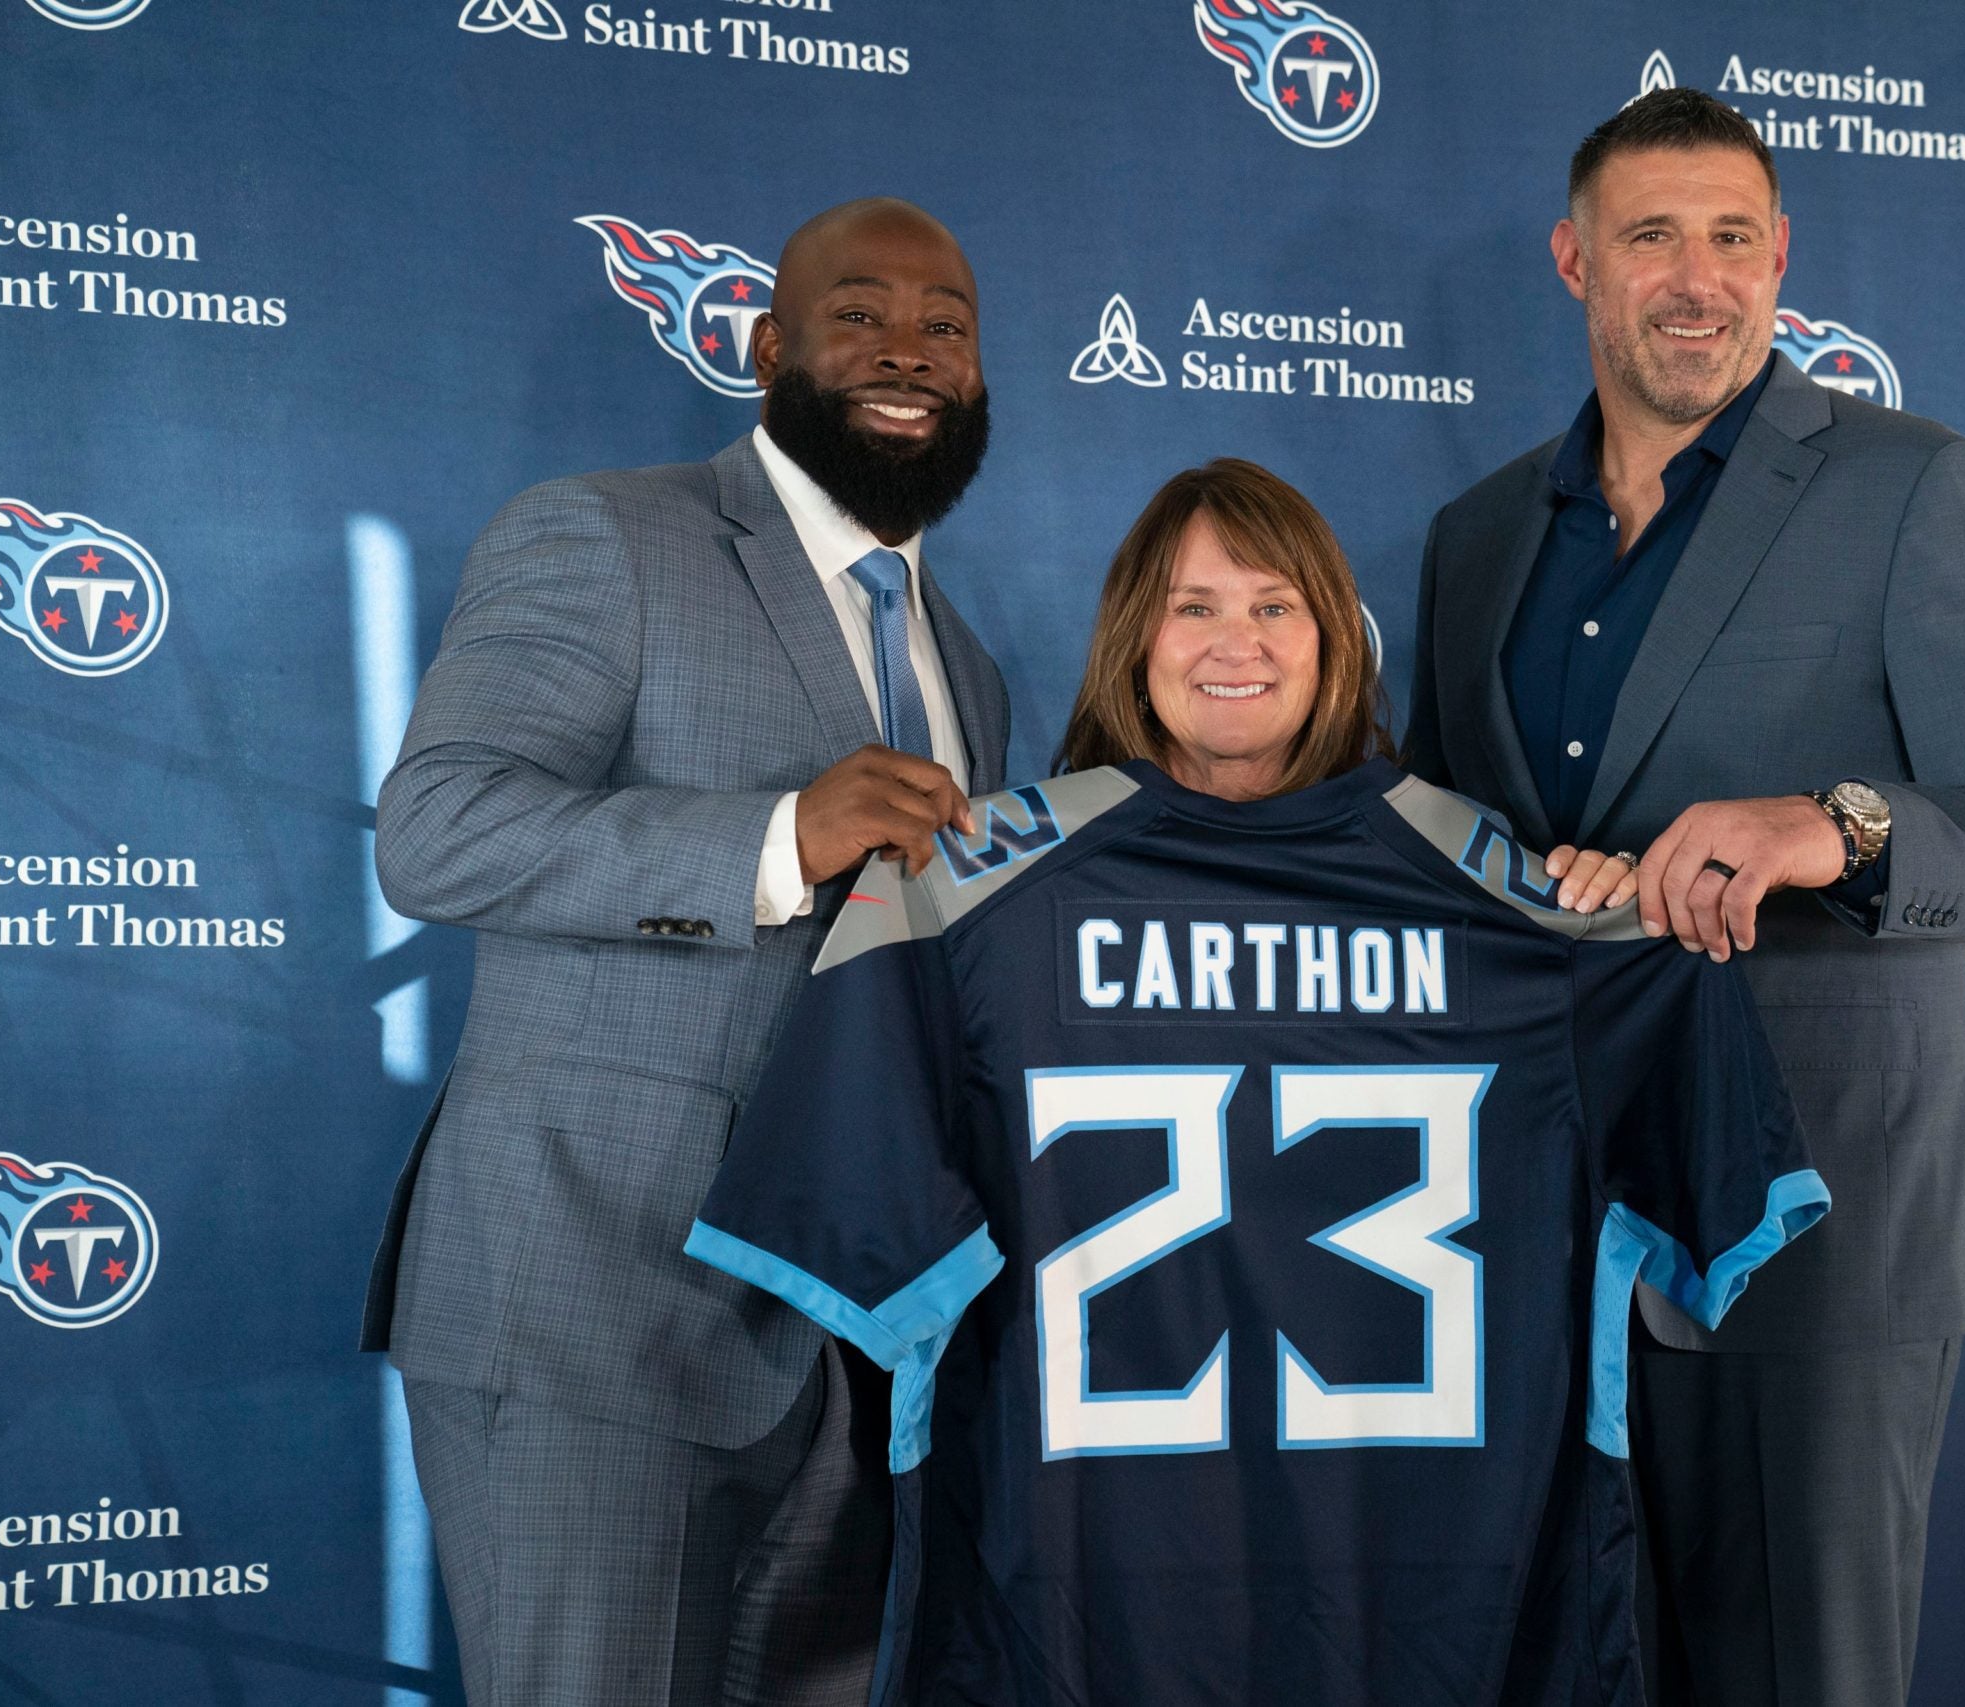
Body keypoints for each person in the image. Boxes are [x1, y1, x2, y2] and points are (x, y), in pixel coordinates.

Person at [683, 457, 1827, 1706]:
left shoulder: (1537, 921)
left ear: (1335, 638)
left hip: (1391, 1614)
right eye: (1195, 606)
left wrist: (1631, 914)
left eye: (1276, 605)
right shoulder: (957, 902)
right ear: (1135, 638)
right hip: (1100, 1615)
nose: (1239, 641)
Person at [1403, 90, 1965, 1707]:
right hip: (1537, 1247)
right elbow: (1448, 850)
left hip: (1819, 1249)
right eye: (1653, 235)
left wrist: (1833, 827)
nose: (1697, 278)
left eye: (1733, 237)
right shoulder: (1476, 538)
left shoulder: (1919, 486)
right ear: (1576, 260)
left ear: (1782, 256)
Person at [360, 197, 1009, 1707]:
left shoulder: (962, 658)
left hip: (845, 1344)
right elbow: (437, 830)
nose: (908, 350)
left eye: (946, 326)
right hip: (586, 1310)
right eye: (860, 314)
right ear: (770, 346)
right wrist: (776, 836)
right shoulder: (607, 533)